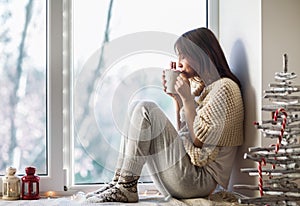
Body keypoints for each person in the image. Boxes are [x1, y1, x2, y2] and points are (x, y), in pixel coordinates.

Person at [86, 27, 244, 203]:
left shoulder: (225, 89)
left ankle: (126, 186)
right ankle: (120, 182)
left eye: (183, 56)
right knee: (135, 108)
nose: (179, 62)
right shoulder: (206, 91)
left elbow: (199, 142)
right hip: (188, 178)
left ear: (201, 54)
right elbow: (186, 138)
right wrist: (178, 100)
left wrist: (188, 99)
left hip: (200, 181)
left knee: (146, 108)